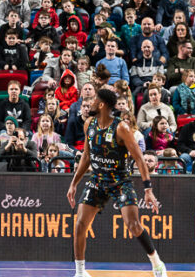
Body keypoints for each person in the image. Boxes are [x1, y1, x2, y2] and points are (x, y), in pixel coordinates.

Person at [67, 89, 167, 277]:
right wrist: (74, 183)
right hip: (97, 180)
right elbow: (87, 156)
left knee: (133, 225)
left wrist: (148, 189)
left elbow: (139, 158)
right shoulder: (89, 124)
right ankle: (80, 273)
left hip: (120, 181)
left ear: (102, 104)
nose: (90, 103)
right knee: (80, 224)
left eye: (94, 100)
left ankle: (157, 263)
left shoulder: (121, 128)